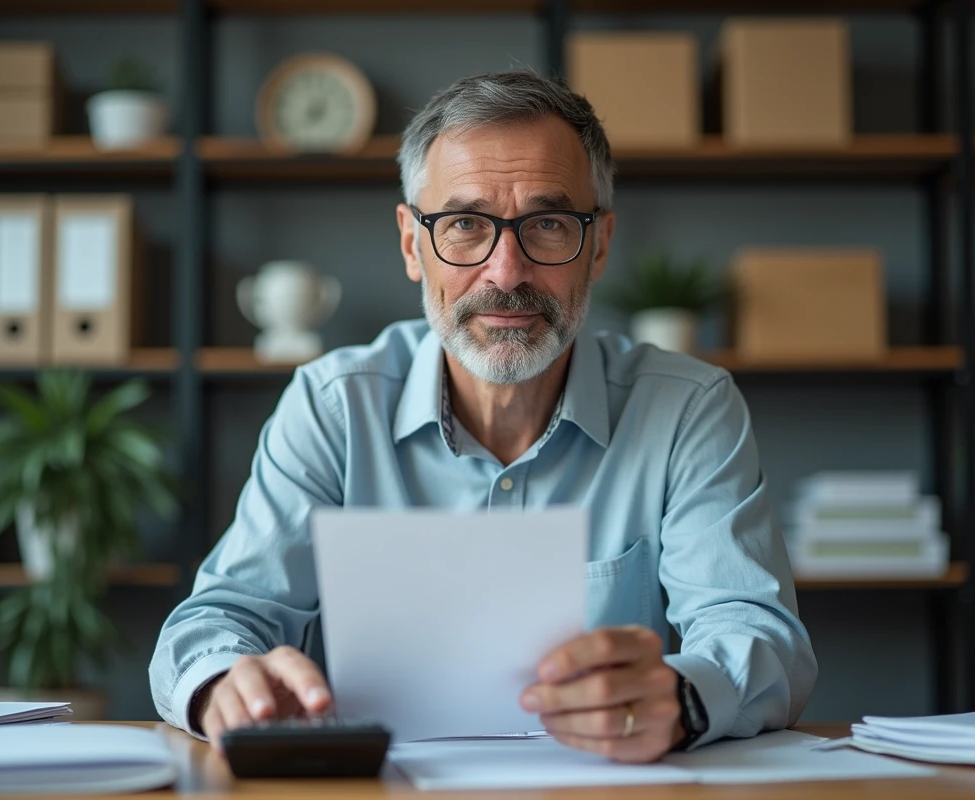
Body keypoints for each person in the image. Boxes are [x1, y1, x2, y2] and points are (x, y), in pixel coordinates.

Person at [150, 70, 817, 765]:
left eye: (549, 224)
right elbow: (215, 622)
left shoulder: (687, 409)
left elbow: (759, 636)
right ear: (413, 243)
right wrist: (225, 683)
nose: (506, 271)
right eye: (466, 225)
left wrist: (681, 699)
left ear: (600, 243)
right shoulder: (332, 406)